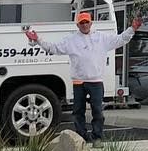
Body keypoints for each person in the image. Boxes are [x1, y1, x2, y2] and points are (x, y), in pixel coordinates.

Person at [23, 11, 139, 142]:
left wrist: (132, 29)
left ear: (91, 23)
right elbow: (53, 48)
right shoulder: (71, 40)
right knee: (78, 111)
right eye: (81, 23)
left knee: (97, 111)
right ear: (77, 25)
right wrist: (38, 39)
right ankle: (81, 137)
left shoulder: (101, 38)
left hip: (96, 81)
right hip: (78, 81)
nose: (84, 25)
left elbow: (120, 39)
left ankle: (97, 137)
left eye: (86, 22)